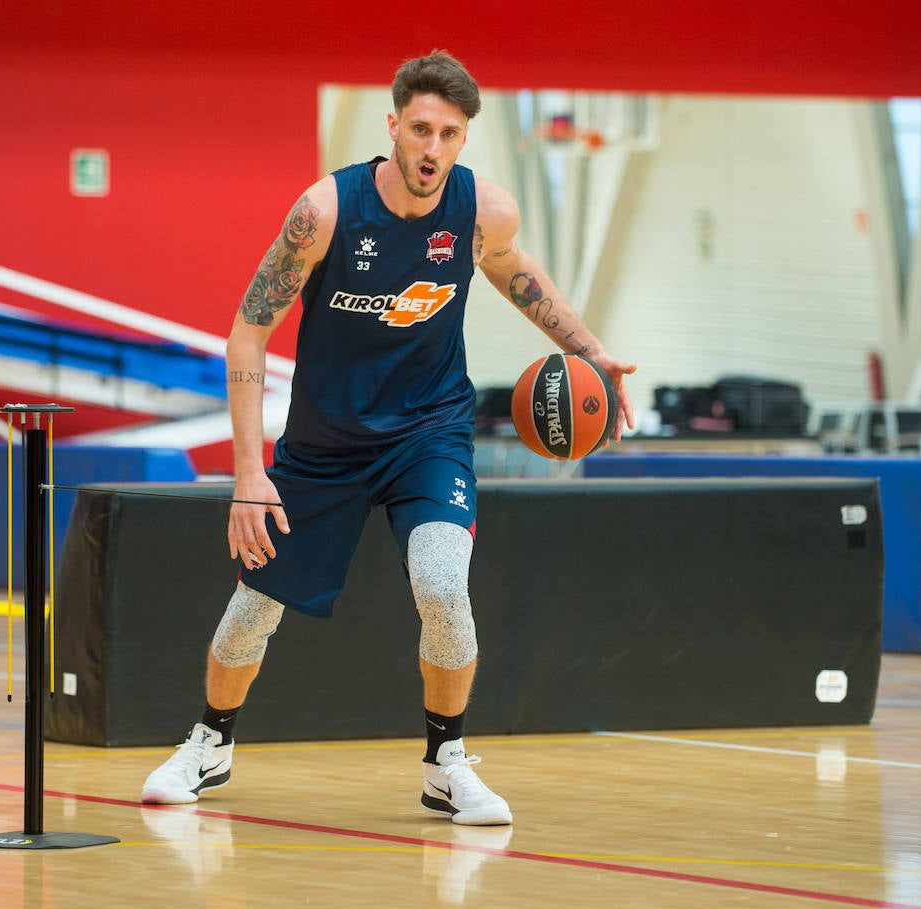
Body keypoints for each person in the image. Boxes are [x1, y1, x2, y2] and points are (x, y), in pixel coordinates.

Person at [141, 50, 636, 825]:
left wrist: (587, 350)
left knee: (443, 585)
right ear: (393, 127)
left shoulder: (482, 211)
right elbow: (248, 334)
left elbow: (512, 271)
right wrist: (248, 472)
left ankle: (446, 764)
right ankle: (210, 742)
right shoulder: (324, 212)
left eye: (449, 133)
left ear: (464, 138)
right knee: (256, 606)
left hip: (429, 433)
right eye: (420, 129)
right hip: (325, 442)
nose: (432, 148)